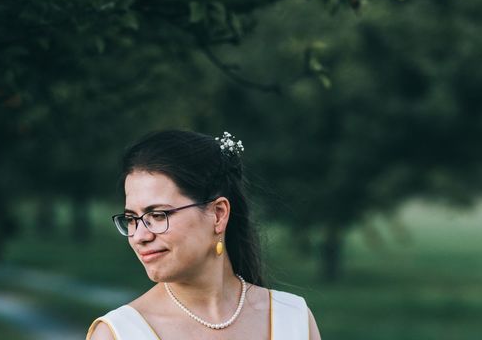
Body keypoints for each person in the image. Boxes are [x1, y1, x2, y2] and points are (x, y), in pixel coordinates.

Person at [86, 130, 322, 340]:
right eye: (131, 219)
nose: (139, 236)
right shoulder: (118, 334)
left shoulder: (293, 318)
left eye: (157, 215)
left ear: (218, 214)